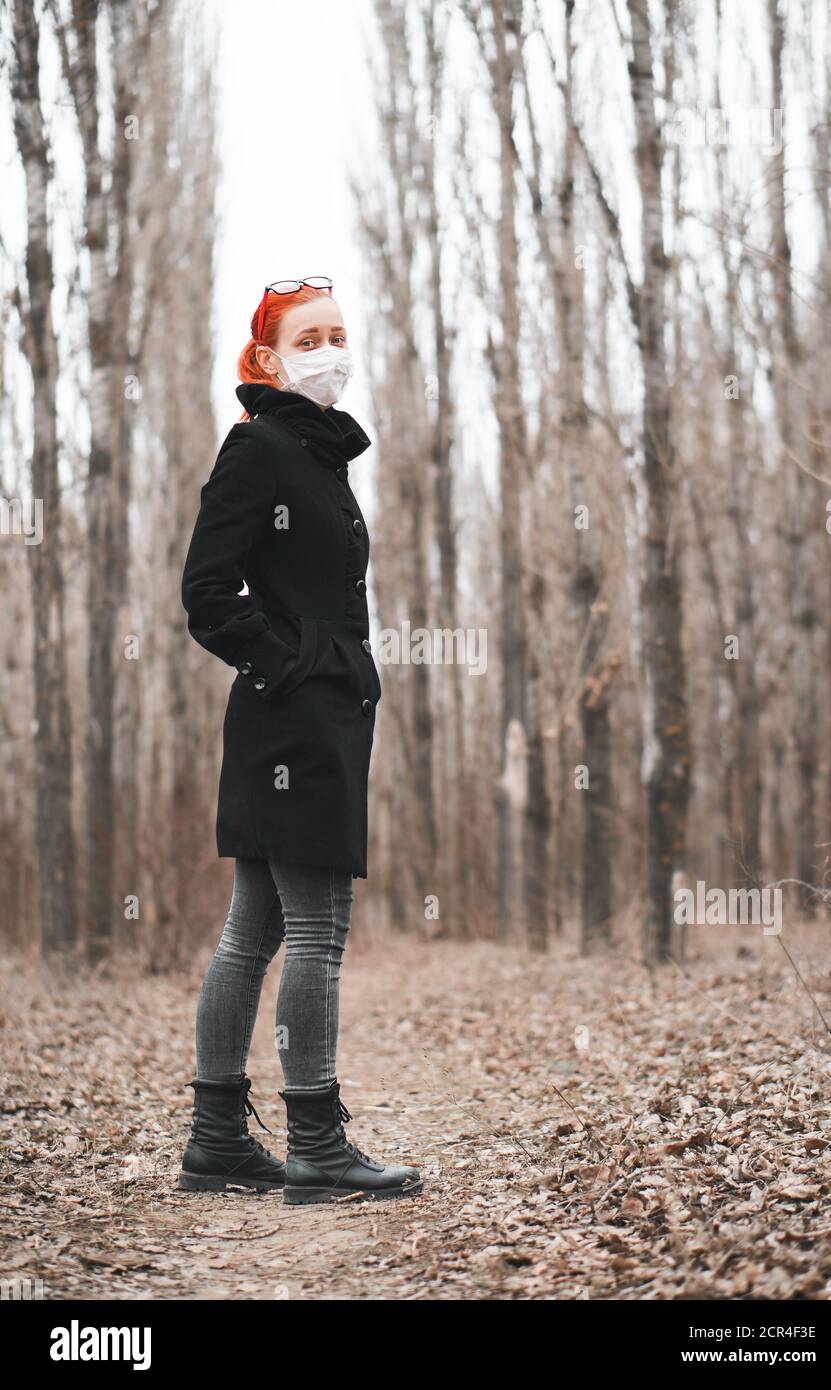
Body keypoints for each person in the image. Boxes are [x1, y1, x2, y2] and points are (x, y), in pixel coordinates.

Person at [177, 277, 421, 1205]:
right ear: (272, 359)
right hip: (293, 718)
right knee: (316, 931)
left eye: (338, 332)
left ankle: (216, 1142)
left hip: (310, 715)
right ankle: (315, 1145)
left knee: (253, 932)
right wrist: (298, 664)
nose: (330, 348)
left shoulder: (317, 458)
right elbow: (207, 593)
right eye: (308, 337)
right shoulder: (260, 447)